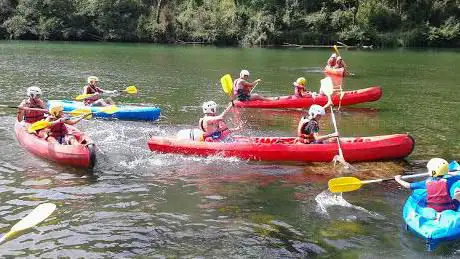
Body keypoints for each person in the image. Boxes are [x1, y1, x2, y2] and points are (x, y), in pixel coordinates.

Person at [394, 158, 460, 213]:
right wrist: (450, 173)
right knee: (457, 191)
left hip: (432, 209)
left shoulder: (426, 183)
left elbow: (408, 185)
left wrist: (398, 179)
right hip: (451, 208)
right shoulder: (450, 180)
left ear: (432, 172)